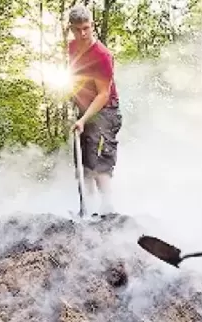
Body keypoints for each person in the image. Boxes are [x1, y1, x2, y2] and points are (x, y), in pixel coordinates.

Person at [67, 5, 122, 216]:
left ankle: (108, 210)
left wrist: (83, 120)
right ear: (71, 29)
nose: (82, 34)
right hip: (85, 111)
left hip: (106, 111)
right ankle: (88, 210)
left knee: (100, 163)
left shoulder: (102, 56)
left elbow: (103, 95)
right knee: (84, 163)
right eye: (77, 29)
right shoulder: (72, 47)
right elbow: (76, 76)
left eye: (86, 28)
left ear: (92, 26)